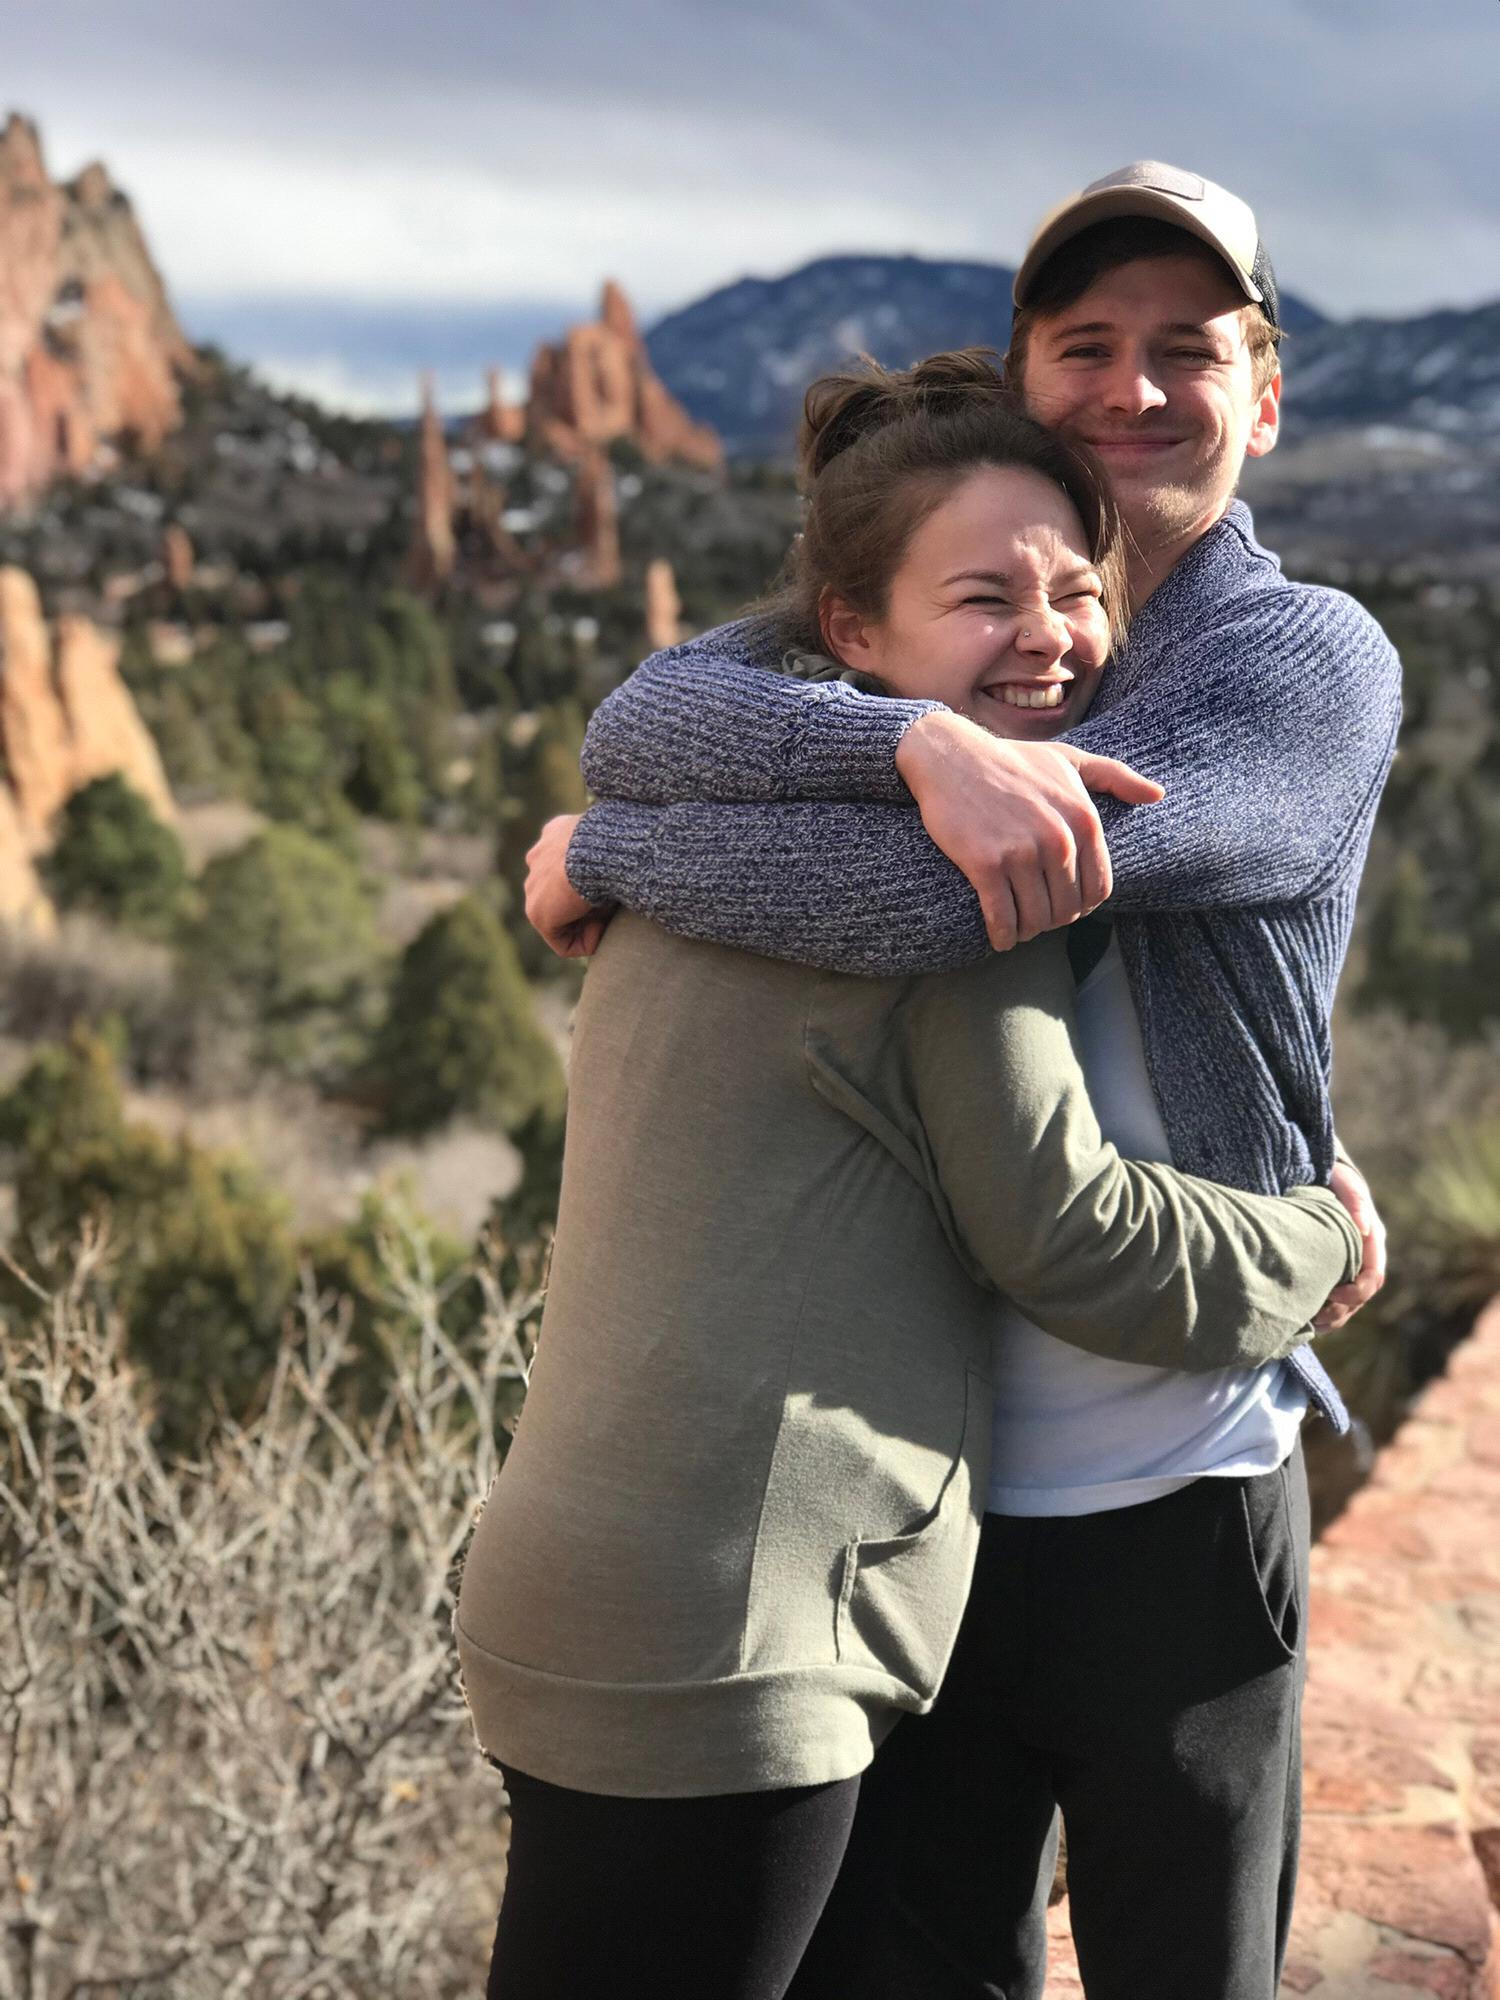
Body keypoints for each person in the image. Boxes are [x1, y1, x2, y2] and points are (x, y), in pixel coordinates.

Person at [523, 163, 1403, 1998]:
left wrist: (620, 857)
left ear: (1265, 386)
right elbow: (649, 711)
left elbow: (971, 889)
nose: (1137, 389)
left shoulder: (1301, 657)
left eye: (1190, 348)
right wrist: (913, 732)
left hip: (1181, 1485)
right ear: (1026, 372)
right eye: (1089, 345)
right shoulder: (946, 601)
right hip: (923, 1509)